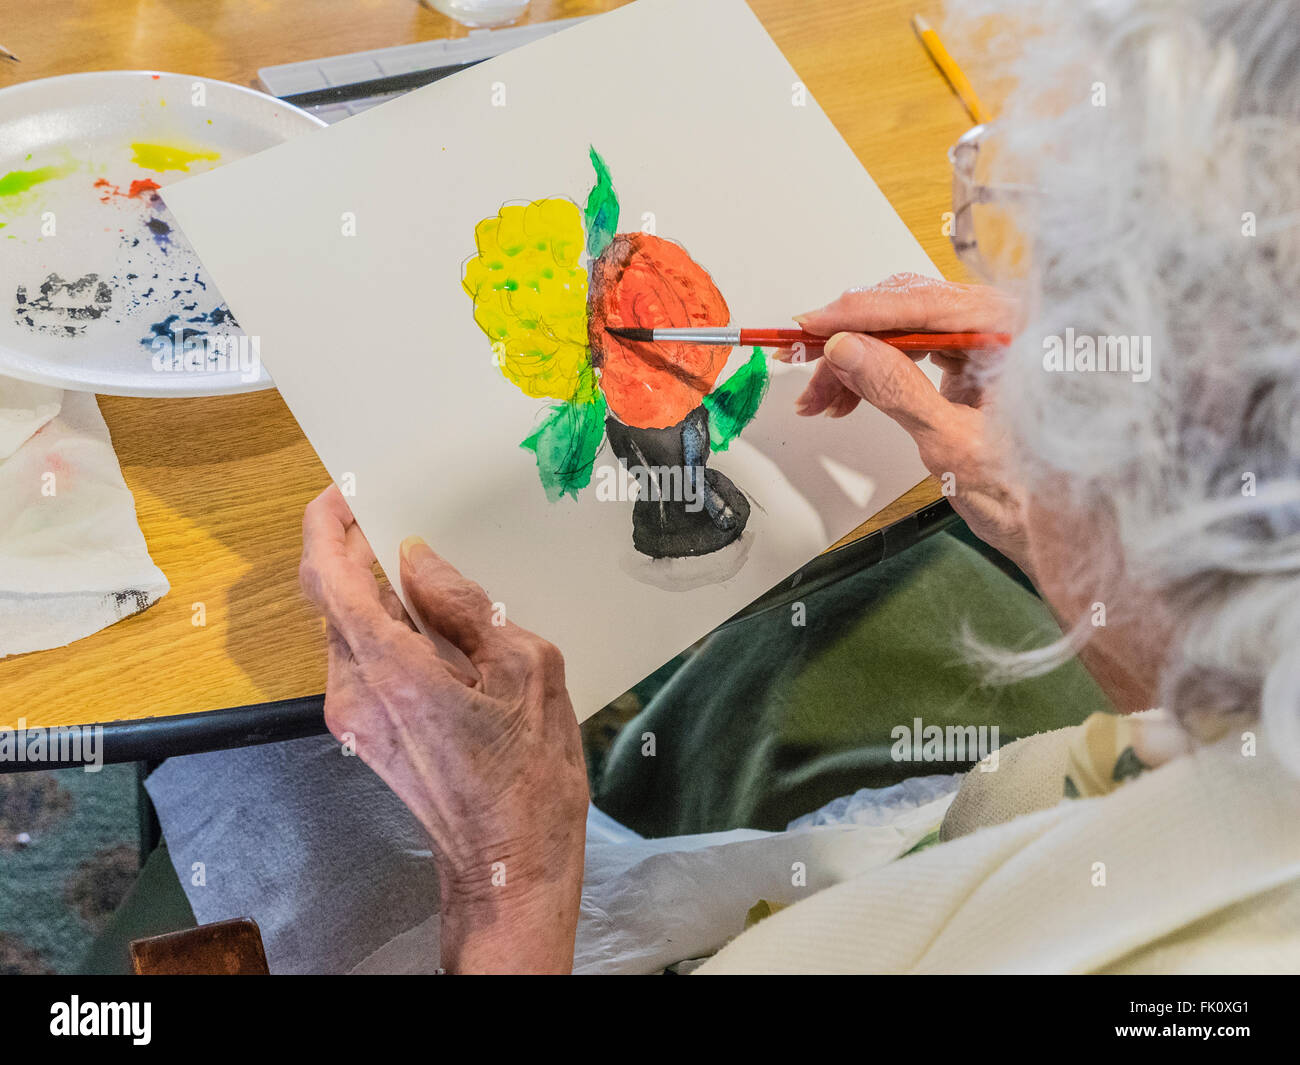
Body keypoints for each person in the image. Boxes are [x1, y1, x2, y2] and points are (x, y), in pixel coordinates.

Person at [296, 0, 1300, 973]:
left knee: (301, 822)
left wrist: (506, 878)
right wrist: (1076, 542)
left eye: (1075, 275)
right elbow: (1225, 739)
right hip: (954, 848)